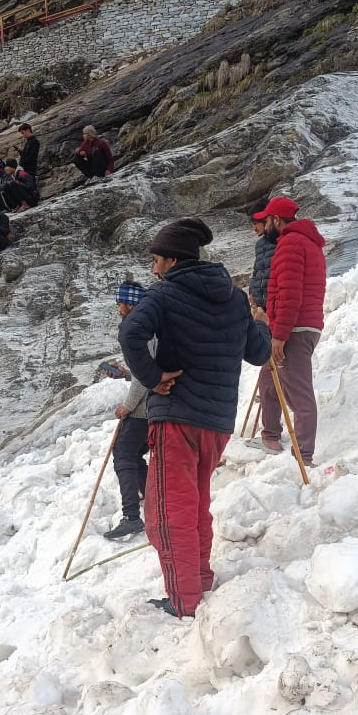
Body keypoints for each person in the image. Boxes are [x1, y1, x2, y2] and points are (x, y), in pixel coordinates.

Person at [120, 217, 270, 617]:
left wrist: (153, 378)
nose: (153, 269)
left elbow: (130, 334)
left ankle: (184, 601)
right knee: (195, 503)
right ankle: (198, 580)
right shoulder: (235, 297)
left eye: (156, 260)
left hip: (177, 417)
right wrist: (261, 322)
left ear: (172, 260)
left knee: (167, 513)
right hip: (217, 421)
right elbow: (259, 353)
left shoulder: (164, 295)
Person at [252, 196, 326, 468]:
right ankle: (270, 435)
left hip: (294, 329)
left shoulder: (291, 244)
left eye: (266, 219)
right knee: (269, 380)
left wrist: (279, 334)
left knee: (300, 393)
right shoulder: (306, 242)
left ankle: (303, 456)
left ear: (275, 220)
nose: (264, 225)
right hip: (300, 325)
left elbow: (289, 294)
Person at [104, 282, 151, 541]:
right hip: (152, 404)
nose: (118, 308)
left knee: (123, 453)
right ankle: (151, 500)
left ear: (130, 304)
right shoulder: (149, 327)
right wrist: (125, 374)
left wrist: (128, 406)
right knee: (134, 455)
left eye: (120, 303)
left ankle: (131, 517)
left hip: (144, 408)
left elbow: (146, 376)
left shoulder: (140, 331)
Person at [248, 209, 275, 311]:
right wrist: (251, 291)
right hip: (259, 303)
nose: (254, 228)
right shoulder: (259, 244)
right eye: (252, 224)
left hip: (273, 302)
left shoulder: (279, 241)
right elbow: (256, 270)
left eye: (256, 223)